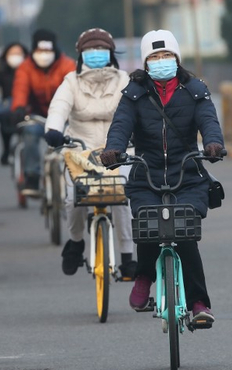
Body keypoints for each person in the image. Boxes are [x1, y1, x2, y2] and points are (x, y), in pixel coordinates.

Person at [101, 30, 225, 327]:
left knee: (185, 236)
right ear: (145, 63)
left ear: (177, 58)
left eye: (166, 56)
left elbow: (209, 120)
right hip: (146, 173)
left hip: (188, 175)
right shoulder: (134, 93)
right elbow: (121, 125)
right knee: (147, 224)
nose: (161, 62)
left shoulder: (196, 90)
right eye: (154, 57)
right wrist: (114, 149)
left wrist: (213, 144)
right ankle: (144, 277)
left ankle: (198, 304)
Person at [42, 28, 136, 278]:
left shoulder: (124, 80)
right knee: (73, 199)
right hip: (80, 153)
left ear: (111, 53)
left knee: (123, 196)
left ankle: (127, 256)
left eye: (101, 49)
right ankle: (75, 242)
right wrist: (53, 130)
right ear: (80, 54)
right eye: (90, 50)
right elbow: (58, 108)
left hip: (119, 152)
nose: (95, 54)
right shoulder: (71, 82)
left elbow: (138, 109)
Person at [11, 29, 76, 196]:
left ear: (55, 50)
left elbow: (76, 90)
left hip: (64, 117)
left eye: (48, 51)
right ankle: (32, 176)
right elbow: (20, 89)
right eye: (40, 51)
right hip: (38, 117)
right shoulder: (25, 68)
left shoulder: (67, 65)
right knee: (30, 134)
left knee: (75, 141)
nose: (44, 55)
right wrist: (18, 107)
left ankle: (76, 178)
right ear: (33, 50)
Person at [0, 42, 28, 166]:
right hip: (8, 105)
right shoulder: (1, 72)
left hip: (26, 105)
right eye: (12, 54)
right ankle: (6, 150)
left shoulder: (29, 71)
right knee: (5, 126)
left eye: (18, 54)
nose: (15, 56)